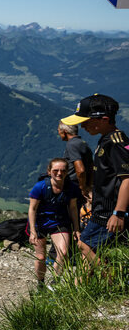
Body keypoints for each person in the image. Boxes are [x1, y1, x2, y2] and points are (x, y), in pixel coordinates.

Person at [60, 94, 129, 263]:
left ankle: (109, 279)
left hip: (110, 210)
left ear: (104, 119)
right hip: (102, 205)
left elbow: (127, 179)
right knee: (88, 252)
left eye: (86, 121)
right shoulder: (105, 140)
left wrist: (118, 213)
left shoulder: (115, 142)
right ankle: (82, 288)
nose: (82, 126)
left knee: (84, 244)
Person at [27, 158, 81, 284]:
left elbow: (73, 208)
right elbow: (32, 209)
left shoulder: (71, 188)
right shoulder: (40, 187)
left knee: (63, 253)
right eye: (55, 170)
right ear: (49, 171)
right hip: (39, 223)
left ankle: (54, 284)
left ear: (67, 172)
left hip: (59, 222)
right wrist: (33, 231)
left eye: (63, 170)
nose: (59, 173)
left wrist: (76, 228)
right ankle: (41, 283)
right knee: (40, 257)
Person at [58, 122, 93, 207]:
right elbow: (91, 167)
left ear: (64, 131)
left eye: (59, 130)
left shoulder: (71, 145)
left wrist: (82, 188)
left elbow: (80, 170)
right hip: (85, 184)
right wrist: (89, 186)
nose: (58, 133)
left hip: (73, 186)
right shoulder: (83, 143)